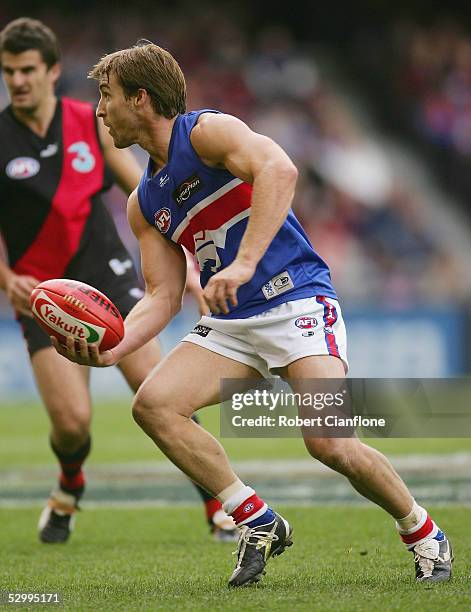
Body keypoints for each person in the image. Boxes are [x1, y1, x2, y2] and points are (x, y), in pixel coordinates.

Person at [53, 41, 453, 587]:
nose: (99, 110)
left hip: (297, 299)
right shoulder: (143, 201)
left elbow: (280, 169)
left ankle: (423, 531)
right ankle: (255, 518)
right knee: (154, 405)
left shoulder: (207, 132)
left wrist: (242, 264)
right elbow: (162, 296)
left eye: (107, 96)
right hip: (232, 322)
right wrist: (111, 348)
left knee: (330, 442)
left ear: (140, 99)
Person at [0, 18, 238, 545]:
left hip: (107, 275)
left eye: (27, 70)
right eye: (9, 71)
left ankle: (218, 507)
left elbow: (152, 191)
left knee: (156, 391)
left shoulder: (92, 122)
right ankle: (69, 485)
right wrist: (8, 277)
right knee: (72, 423)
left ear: (51, 71)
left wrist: (192, 267)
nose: (17, 80)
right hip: (44, 294)